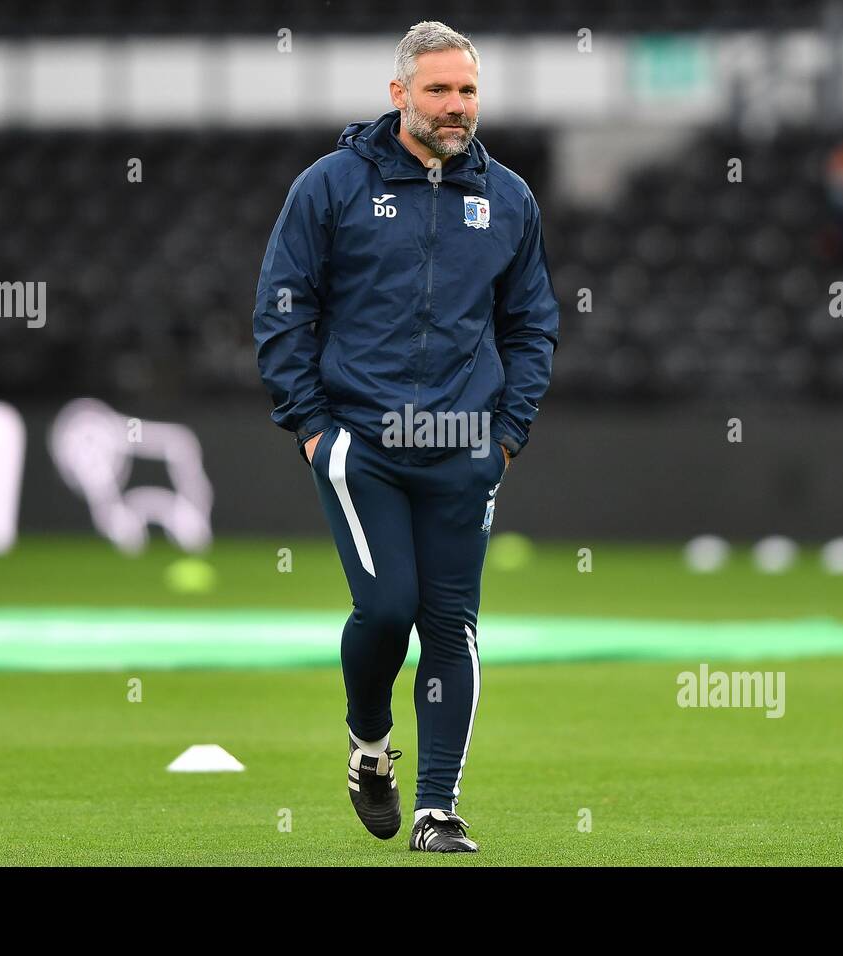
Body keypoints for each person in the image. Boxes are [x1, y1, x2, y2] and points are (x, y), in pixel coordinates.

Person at [253, 20, 559, 853]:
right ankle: (367, 741)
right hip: (362, 442)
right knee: (387, 609)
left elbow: (532, 325)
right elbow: (283, 307)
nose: (456, 107)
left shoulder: (510, 198)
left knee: (451, 626)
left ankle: (436, 809)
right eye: (439, 91)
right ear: (399, 96)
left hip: (466, 443)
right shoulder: (330, 185)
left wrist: (507, 433)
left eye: (467, 91)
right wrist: (313, 429)